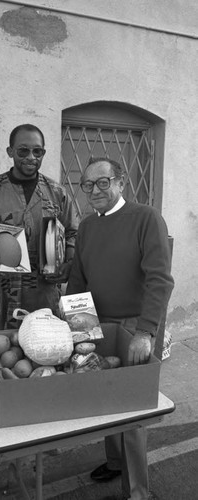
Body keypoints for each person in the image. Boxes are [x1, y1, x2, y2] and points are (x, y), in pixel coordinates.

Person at [66, 157, 174, 500]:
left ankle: (137, 491)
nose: (95, 191)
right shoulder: (87, 227)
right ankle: (114, 462)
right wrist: (76, 330)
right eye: (87, 185)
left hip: (134, 327)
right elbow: (78, 281)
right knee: (105, 400)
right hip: (97, 325)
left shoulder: (146, 218)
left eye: (103, 182)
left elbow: (160, 280)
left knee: (133, 409)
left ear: (121, 181)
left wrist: (146, 332)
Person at [0, 123, 78, 328]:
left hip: (44, 294)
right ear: (10, 151)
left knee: (44, 347)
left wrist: (68, 262)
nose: (31, 157)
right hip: (2, 294)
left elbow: (73, 231)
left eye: (38, 151)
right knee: (3, 350)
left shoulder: (57, 193)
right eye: (23, 150)